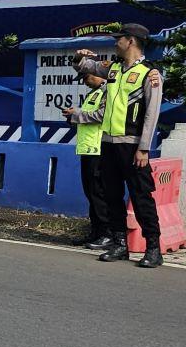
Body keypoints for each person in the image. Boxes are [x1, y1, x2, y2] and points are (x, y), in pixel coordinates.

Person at [76, 23, 166, 268]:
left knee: (141, 197)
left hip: (133, 145)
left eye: (119, 39)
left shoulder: (150, 74)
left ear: (131, 41)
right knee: (112, 195)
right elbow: (87, 66)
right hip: (108, 143)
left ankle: (153, 249)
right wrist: (79, 56)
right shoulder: (114, 69)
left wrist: (144, 148)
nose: (115, 43)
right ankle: (119, 244)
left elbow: (152, 115)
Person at [62, 69, 114, 250]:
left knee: (99, 193)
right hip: (87, 149)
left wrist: (77, 114)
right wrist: (72, 116)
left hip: (100, 149)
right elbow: (86, 117)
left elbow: (102, 116)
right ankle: (96, 232)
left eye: (87, 77)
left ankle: (107, 234)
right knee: (91, 193)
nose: (85, 81)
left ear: (100, 74)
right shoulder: (94, 93)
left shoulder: (109, 91)